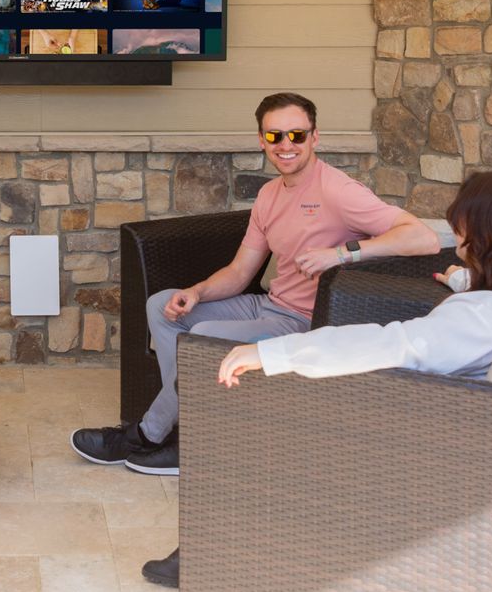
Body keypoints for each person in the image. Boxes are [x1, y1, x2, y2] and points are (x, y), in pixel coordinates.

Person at [144, 168, 492, 588]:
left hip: (418, 449)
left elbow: (394, 344)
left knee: (262, 425)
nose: (457, 235)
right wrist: (464, 279)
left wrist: (272, 353)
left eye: (463, 226)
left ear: (489, 235)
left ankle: (216, 556)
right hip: (460, 432)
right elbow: (481, 317)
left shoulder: (481, 317)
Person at [71, 92, 440, 480]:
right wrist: (195, 293)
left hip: (303, 320)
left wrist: (342, 253)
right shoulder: (269, 194)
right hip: (269, 305)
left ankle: (149, 434)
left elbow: (422, 238)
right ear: (262, 140)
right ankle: (189, 426)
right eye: (275, 136)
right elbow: (240, 272)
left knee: (204, 335)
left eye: (297, 135)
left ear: (315, 138)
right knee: (162, 306)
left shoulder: (338, 190)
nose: (286, 145)